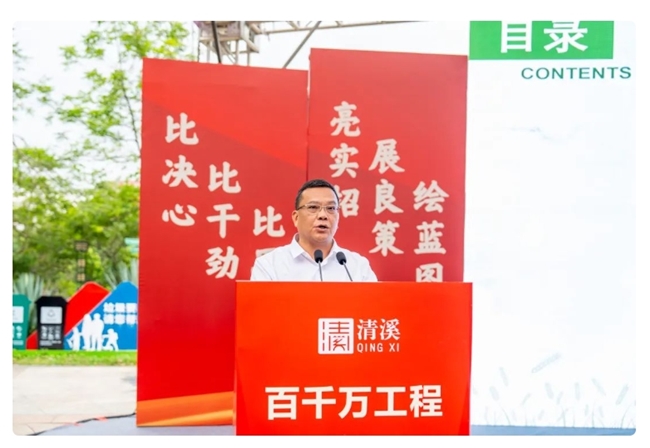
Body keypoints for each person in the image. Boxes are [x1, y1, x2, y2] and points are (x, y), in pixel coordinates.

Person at [250, 179, 378, 282]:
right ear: (296, 218)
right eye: (313, 207)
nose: (323, 215)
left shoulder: (357, 266)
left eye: (331, 208)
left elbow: (373, 306)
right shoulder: (269, 265)